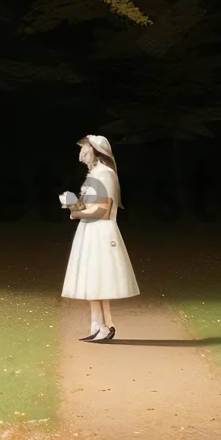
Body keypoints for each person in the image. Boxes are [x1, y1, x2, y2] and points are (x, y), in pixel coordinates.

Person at [60, 134, 139, 342]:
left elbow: (103, 210)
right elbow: (89, 205)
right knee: (93, 279)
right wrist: (73, 204)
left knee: (98, 277)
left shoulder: (104, 174)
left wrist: (76, 212)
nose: (81, 153)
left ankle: (105, 326)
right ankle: (98, 325)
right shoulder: (95, 174)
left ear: (94, 151)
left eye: (84, 148)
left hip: (100, 232)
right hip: (91, 230)